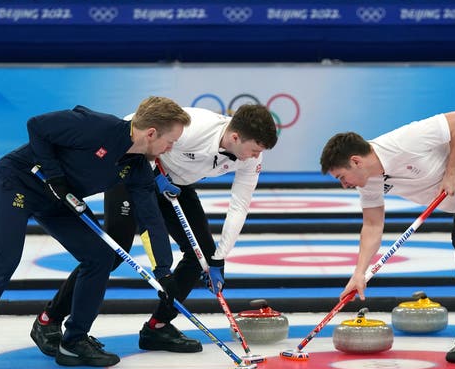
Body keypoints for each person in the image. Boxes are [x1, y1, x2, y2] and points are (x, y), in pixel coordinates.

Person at [0, 97, 191, 369]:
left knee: (99, 256)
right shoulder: (97, 127)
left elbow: (150, 221)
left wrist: (164, 271)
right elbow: (37, 126)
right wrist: (55, 176)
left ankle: (74, 341)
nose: (171, 149)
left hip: (60, 200)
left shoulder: (137, 168)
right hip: (17, 184)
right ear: (151, 133)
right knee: (4, 260)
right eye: (170, 142)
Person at [30, 104, 278, 355]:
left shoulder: (251, 156)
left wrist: (219, 257)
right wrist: (148, 169)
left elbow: (240, 205)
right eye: (254, 150)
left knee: (201, 256)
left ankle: (157, 327)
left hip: (175, 186)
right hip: (134, 175)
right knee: (113, 252)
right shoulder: (195, 125)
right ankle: (49, 319)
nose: (255, 156)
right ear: (235, 137)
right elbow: (133, 125)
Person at [319, 111, 455, 364]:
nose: (344, 185)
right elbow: (372, 224)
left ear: (356, 161)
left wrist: (452, 171)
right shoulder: (369, 181)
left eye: (341, 177)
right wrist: (359, 273)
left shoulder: (402, 142)